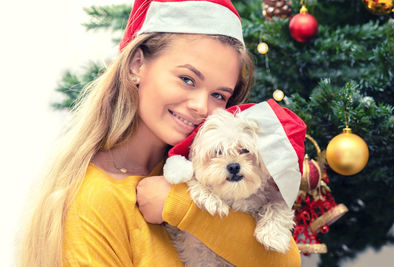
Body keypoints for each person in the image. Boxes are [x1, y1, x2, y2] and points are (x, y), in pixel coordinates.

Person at [19, 0, 302, 266]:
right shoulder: (94, 201)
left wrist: (180, 206)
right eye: (187, 79)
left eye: (218, 95)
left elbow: (287, 259)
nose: (201, 107)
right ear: (137, 65)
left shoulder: (203, 172)